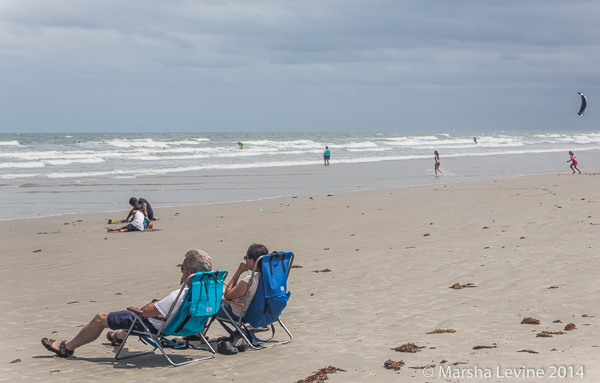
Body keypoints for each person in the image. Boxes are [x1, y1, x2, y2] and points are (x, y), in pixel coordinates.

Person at [41, 250, 212, 358]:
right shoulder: (207, 295)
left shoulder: (179, 295)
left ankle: (67, 347)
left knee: (102, 318)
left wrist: (144, 308)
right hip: (184, 327)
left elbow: (147, 313)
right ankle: (118, 337)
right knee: (138, 316)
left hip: (157, 326)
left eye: (182, 268)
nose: (181, 272)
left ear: (191, 271)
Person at [216, 243, 269, 354]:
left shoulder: (250, 279)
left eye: (246, 258)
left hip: (239, 313)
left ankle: (197, 334)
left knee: (211, 302)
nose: (245, 261)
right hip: (261, 311)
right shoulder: (269, 277)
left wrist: (238, 272)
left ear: (253, 261)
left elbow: (228, 296)